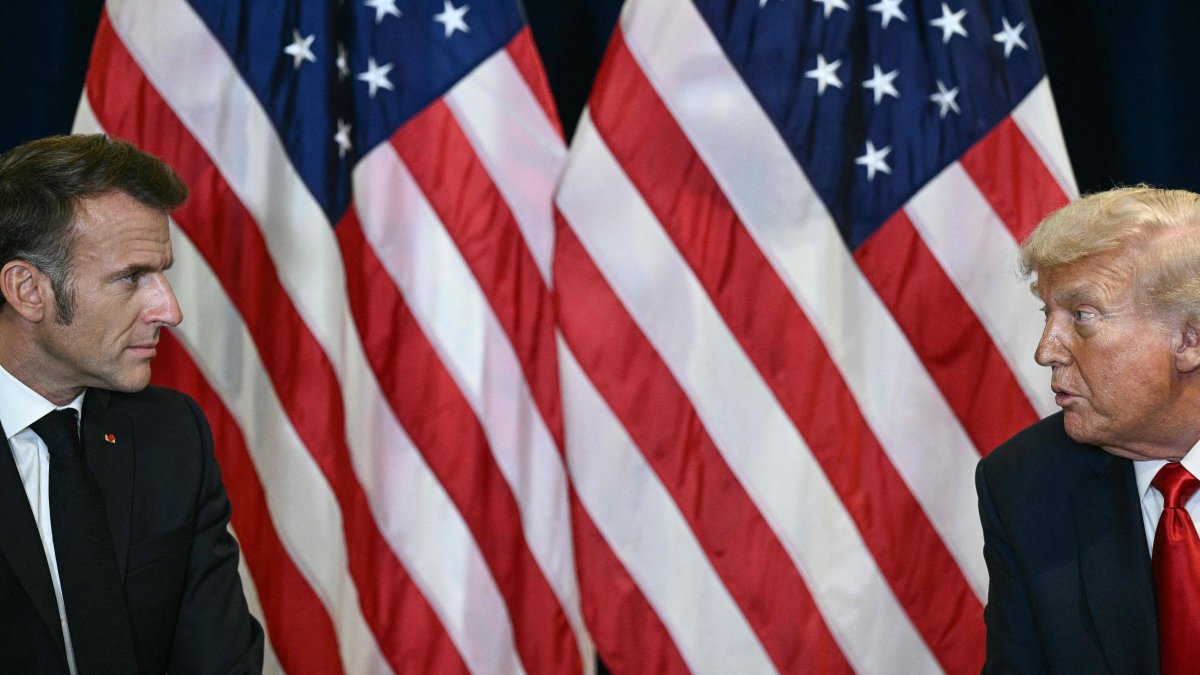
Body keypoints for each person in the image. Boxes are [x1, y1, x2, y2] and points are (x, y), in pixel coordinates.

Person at [0, 134, 263, 673]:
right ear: (28, 290)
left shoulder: (172, 435)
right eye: (131, 277)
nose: (170, 309)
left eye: (161, 273)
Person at [977, 186, 1200, 673]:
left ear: (1189, 339)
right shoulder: (1025, 483)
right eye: (1047, 314)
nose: (1046, 350)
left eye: (1082, 315)